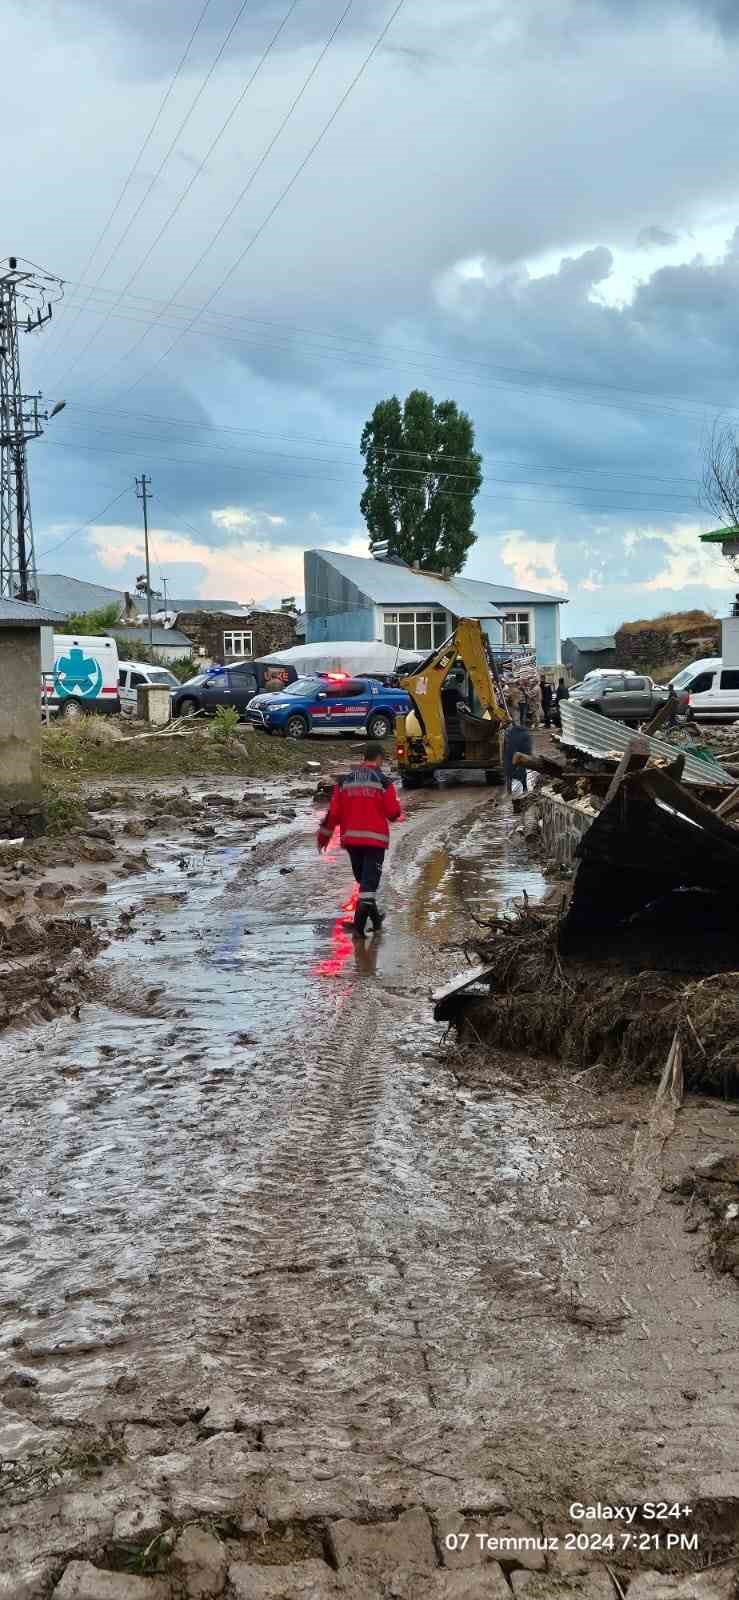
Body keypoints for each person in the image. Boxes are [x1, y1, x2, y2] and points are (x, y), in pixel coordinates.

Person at [317, 741, 401, 937]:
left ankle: (377, 921)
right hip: (374, 842)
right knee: (368, 887)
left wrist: (323, 837)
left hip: (352, 842)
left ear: (364, 757)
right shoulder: (384, 781)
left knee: (364, 883)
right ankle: (358, 930)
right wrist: (395, 810)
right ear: (379, 758)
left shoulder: (345, 781)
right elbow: (393, 813)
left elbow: (333, 814)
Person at [503, 721, 532, 793]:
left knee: (509, 773)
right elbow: (528, 747)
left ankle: (509, 792)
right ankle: (524, 789)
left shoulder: (509, 734)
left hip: (512, 756)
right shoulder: (525, 733)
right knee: (521, 772)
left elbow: (507, 746)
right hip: (519, 756)